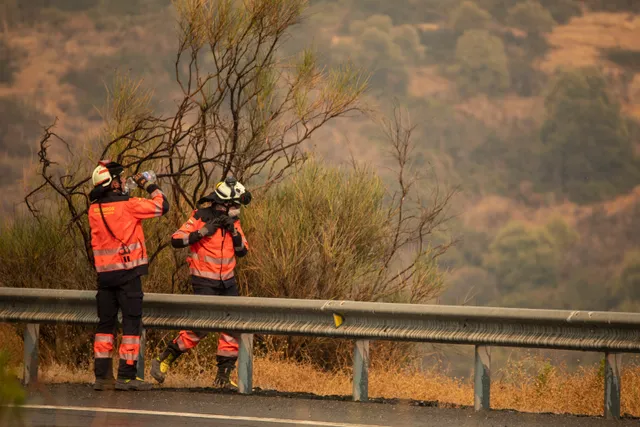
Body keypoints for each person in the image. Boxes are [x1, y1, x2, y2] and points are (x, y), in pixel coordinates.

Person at [151, 176, 251, 390]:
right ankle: (164, 358)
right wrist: (202, 232)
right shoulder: (200, 216)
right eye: (234, 205)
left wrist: (233, 232)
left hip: (228, 283)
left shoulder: (234, 223)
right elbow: (176, 240)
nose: (237, 209)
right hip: (204, 281)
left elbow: (243, 251)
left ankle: (223, 377)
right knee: (200, 328)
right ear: (223, 204)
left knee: (232, 328)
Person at [88, 160, 169, 391]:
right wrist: (149, 185)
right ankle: (126, 376)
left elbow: (112, 208)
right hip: (128, 274)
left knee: (106, 325)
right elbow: (162, 206)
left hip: (105, 277)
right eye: (121, 178)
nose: (124, 181)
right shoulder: (130, 205)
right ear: (113, 183)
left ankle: (102, 377)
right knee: (131, 324)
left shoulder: (94, 210)